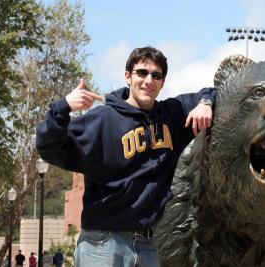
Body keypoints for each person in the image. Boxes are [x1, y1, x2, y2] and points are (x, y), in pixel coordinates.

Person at [36, 46, 216, 267]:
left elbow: (219, 92)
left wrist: (206, 102)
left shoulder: (173, 114)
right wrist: (62, 107)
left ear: (162, 82)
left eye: (156, 75)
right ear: (128, 76)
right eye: (142, 73)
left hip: (147, 244)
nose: (148, 80)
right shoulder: (101, 120)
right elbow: (49, 147)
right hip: (103, 243)